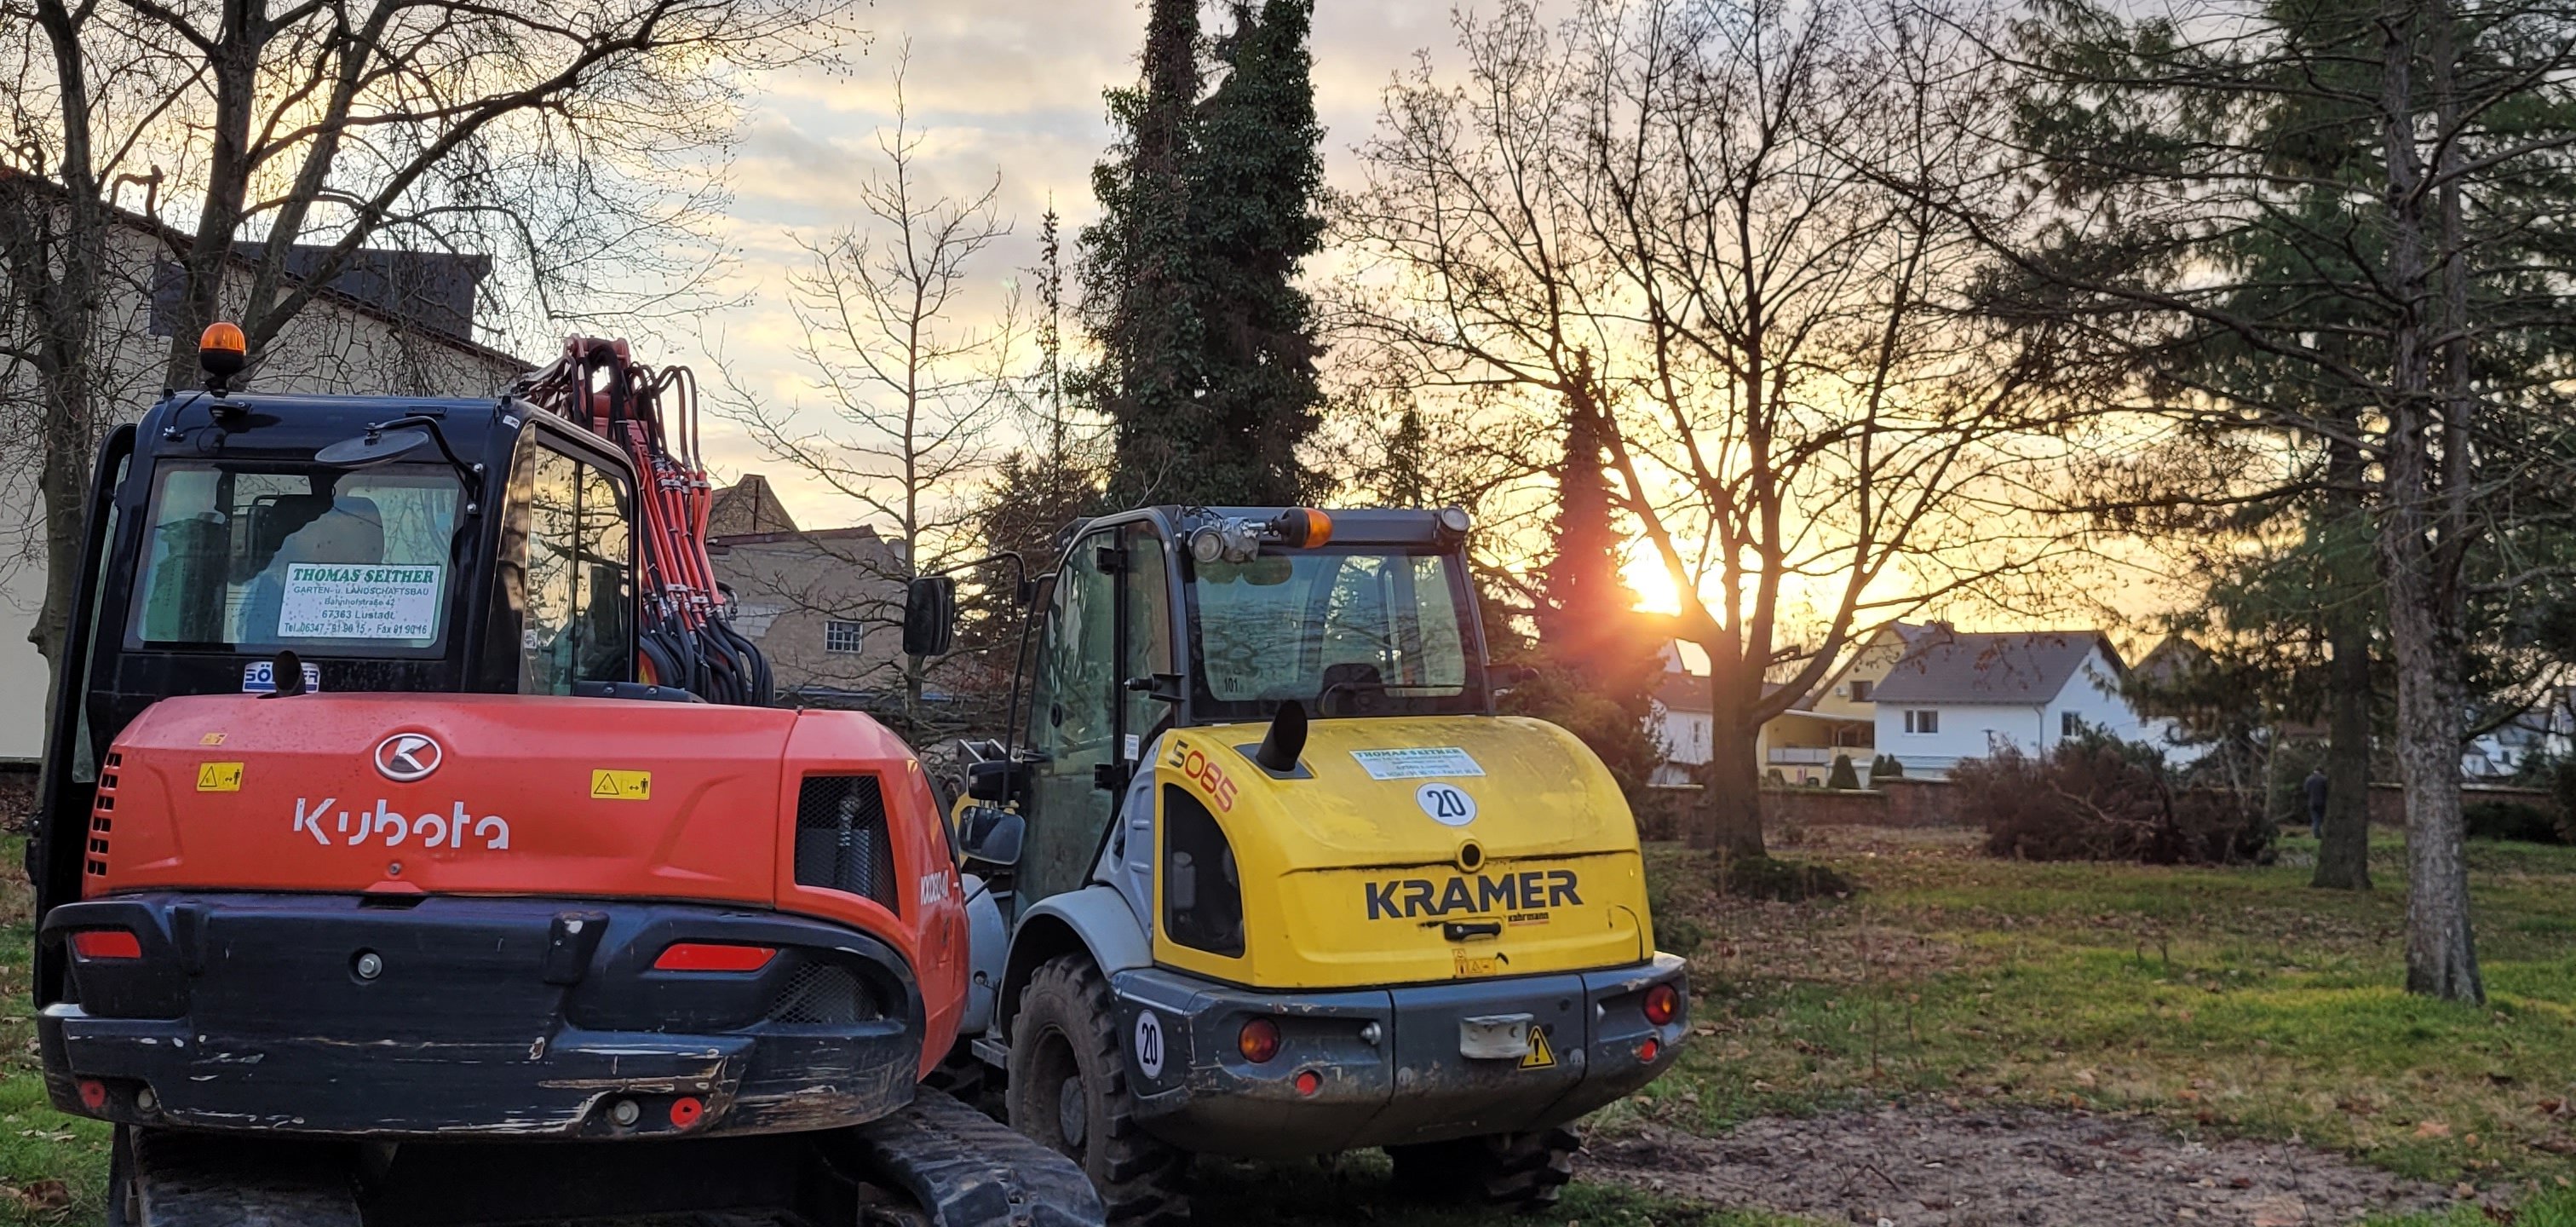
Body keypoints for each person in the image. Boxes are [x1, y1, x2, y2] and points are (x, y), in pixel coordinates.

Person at [2303, 766, 2329, 839]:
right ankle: (2318, 834)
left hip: (2312, 802)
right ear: (2322, 771)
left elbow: (2306, 791)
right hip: (2322, 802)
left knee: (2315, 818)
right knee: (2320, 820)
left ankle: (2316, 834)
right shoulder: (2324, 779)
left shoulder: (2308, 779)